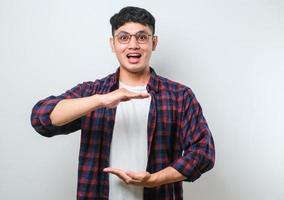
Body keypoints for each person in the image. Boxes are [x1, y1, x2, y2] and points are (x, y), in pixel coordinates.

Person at [31, 6, 215, 200]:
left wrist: (154, 180)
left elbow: (204, 152)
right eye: (124, 37)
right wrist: (101, 100)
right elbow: (41, 118)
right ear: (113, 44)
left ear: (154, 42)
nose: (133, 45)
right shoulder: (94, 92)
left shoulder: (179, 96)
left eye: (142, 37)